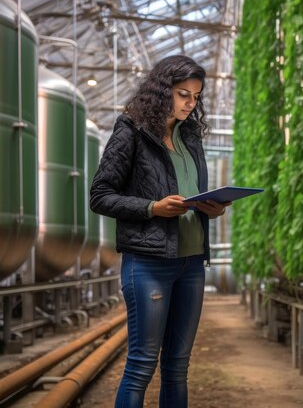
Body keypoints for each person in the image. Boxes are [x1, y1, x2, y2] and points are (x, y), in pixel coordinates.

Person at [90, 55, 231, 408]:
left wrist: (210, 210)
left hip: (191, 264)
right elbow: (100, 196)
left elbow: (190, 192)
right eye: (183, 94)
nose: (190, 103)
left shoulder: (191, 136)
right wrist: (153, 208)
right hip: (148, 264)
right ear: (161, 90)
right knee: (141, 366)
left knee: (178, 367)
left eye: (196, 97)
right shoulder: (131, 131)